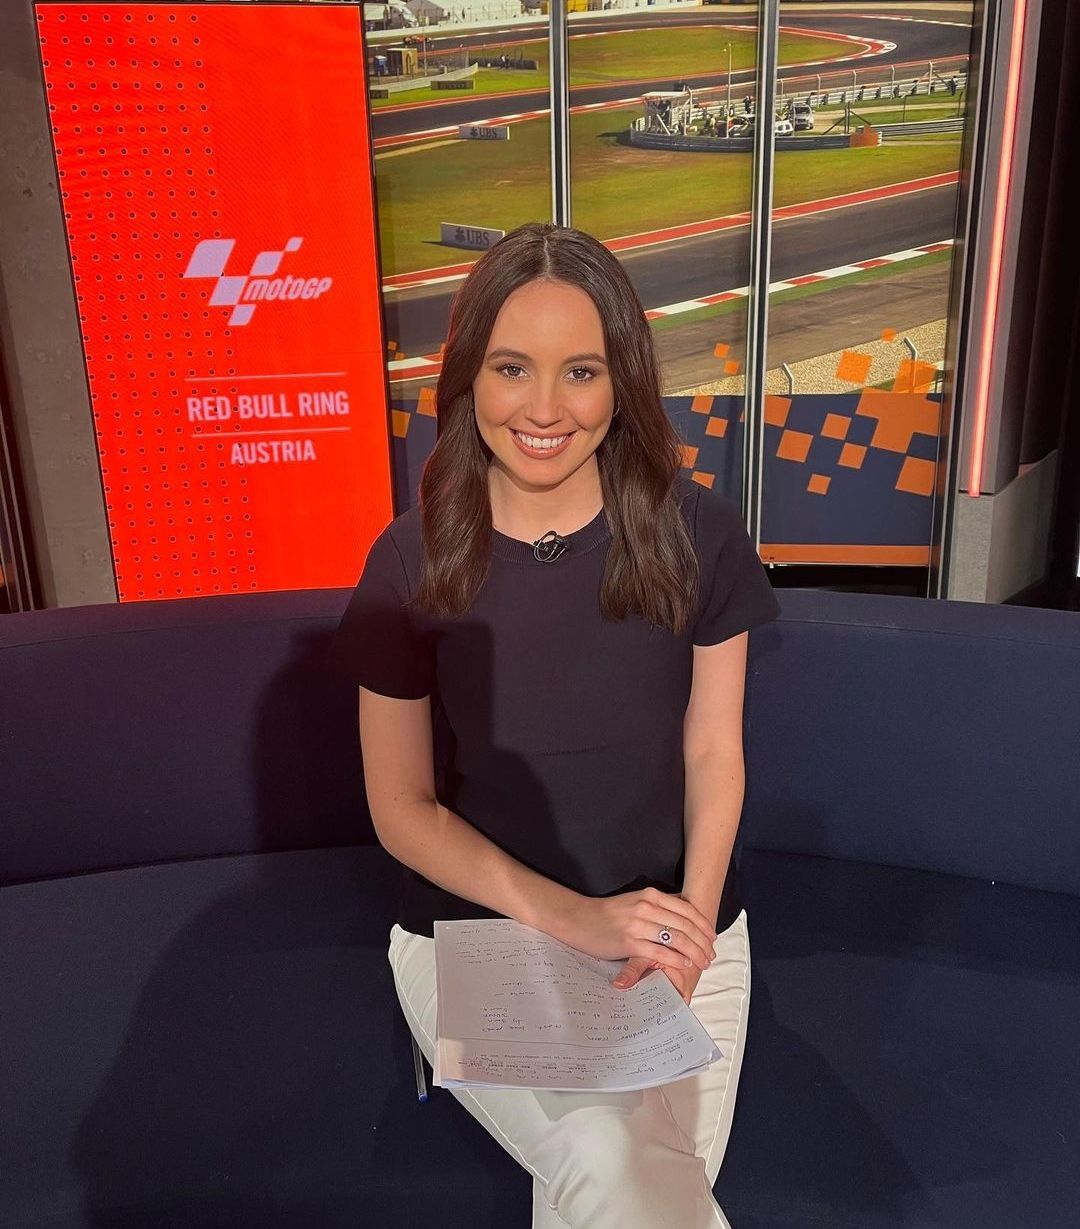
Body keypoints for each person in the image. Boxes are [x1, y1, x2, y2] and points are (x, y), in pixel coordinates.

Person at [330, 222, 781, 1228]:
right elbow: (401, 808)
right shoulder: (406, 562)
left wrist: (688, 926)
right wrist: (576, 918)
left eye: (580, 371)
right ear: (467, 378)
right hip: (475, 936)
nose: (543, 408)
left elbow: (714, 749)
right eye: (511, 368)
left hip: (678, 923)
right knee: (611, 1159)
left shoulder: (700, 534)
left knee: (616, 1183)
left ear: (622, 382)